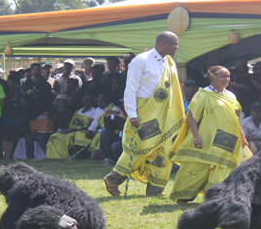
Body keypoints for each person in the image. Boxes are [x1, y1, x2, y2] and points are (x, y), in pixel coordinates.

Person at [104, 31, 186, 196]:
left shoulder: (169, 62)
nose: (177, 47)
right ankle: (113, 179)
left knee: (164, 149)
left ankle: (155, 188)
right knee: (139, 148)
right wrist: (132, 115)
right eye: (174, 44)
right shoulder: (141, 61)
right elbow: (130, 90)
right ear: (162, 43)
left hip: (164, 114)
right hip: (144, 113)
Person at [169, 66, 249, 203]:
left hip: (227, 139)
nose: (227, 79)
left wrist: (242, 137)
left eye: (228, 76)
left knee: (222, 169)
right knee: (198, 169)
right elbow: (192, 117)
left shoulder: (231, 95)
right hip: (207, 139)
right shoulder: (203, 94)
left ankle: (215, 198)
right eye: (223, 76)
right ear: (212, 77)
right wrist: (196, 136)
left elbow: (235, 119)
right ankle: (183, 197)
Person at [45, 94, 99, 159]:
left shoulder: (94, 111)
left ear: (92, 100)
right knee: (54, 136)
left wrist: (76, 129)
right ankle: (51, 156)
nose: (86, 101)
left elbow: (91, 126)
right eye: (84, 99)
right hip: (71, 130)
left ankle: (63, 156)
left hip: (82, 131)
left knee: (67, 138)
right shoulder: (78, 110)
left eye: (88, 100)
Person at [23, 63, 55, 159]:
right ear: (31, 70)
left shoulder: (46, 85)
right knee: (28, 138)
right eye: (34, 69)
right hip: (28, 114)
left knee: (42, 138)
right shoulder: (26, 83)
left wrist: (47, 111)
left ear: (41, 71)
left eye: (38, 69)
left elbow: (50, 99)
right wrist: (26, 94)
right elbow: (21, 96)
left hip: (42, 114)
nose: (36, 71)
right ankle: (30, 158)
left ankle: (49, 156)